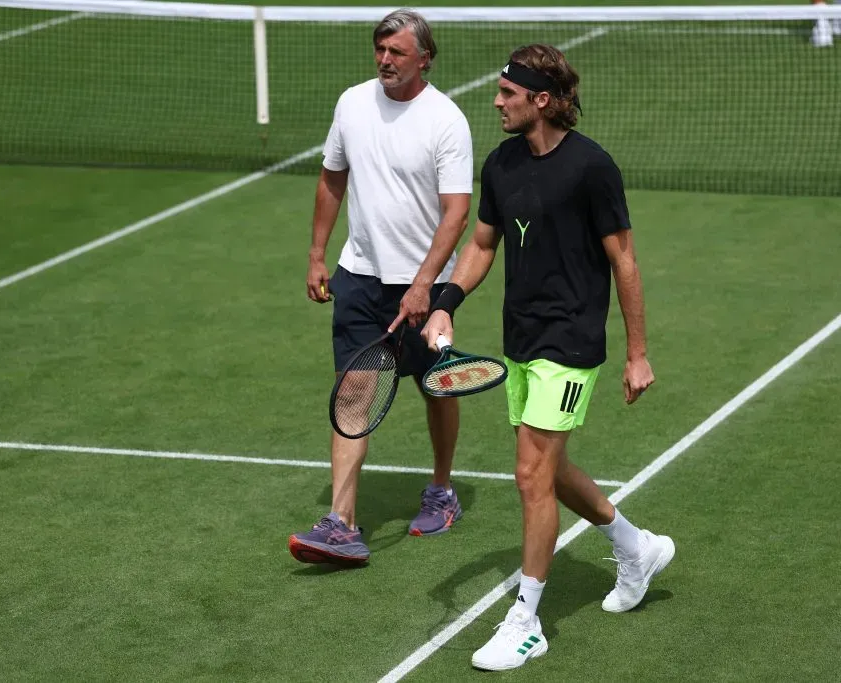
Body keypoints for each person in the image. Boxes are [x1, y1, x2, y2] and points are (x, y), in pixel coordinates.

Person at [421, 44, 675, 669]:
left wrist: (637, 352)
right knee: (550, 470)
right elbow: (482, 245)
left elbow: (624, 260)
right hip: (522, 339)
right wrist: (446, 301)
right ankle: (633, 544)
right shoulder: (502, 164)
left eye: (508, 94)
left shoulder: (592, 168)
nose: (497, 101)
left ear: (541, 100)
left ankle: (526, 620)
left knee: (531, 475)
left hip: (572, 341)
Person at [288, 9, 474, 566]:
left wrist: (424, 286)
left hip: (426, 286)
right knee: (352, 395)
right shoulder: (351, 104)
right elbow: (332, 176)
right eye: (380, 49)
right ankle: (341, 522)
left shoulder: (446, 120)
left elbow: (457, 212)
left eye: (397, 52)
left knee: (436, 387)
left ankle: (441, 490)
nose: (385, 60)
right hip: (360, 278)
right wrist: (319, 253)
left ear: (424, 59)